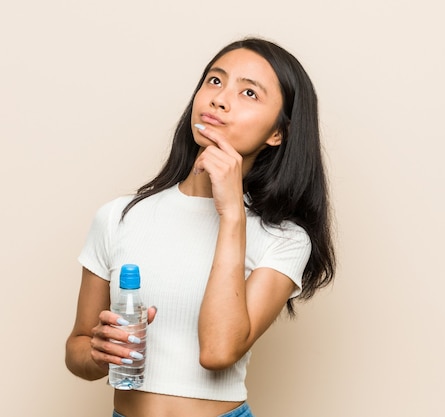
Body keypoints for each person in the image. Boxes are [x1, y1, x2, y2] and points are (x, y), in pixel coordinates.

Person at [65, 37, 335, 417]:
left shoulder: (285, 238)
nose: (220, 99)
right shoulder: (118, 216)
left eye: (249, 93)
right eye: (215, 81)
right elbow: (77, 349)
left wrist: (232, 216)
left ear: (278, 133)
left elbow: (218, 351)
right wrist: (98, 352)